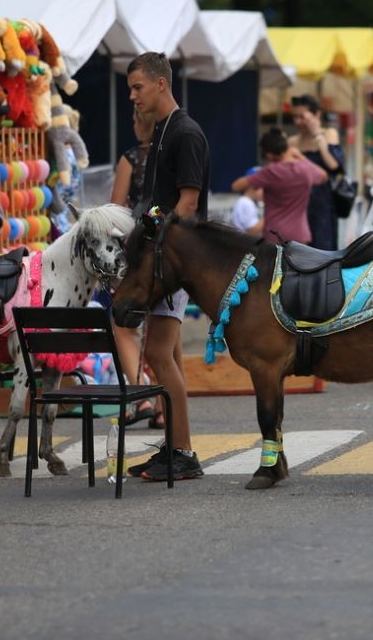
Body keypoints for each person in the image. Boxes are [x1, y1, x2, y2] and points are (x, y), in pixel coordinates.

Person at [124, 51, 211, 481]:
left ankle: (183, 452)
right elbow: (163, 201)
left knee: (158, 352)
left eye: (138, 87)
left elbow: (188, 203)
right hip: (162, 255)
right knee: (168, 353)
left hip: (174, 259)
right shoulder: (162, 130)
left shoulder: (185, 133)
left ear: (161, 84)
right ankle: (177, 447)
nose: (132, 96)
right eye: (130, 89)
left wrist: (152, 236)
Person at [109, 108, 159, 427]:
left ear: (140, 125)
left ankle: (142, 397)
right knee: (163, 332)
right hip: (172, 248)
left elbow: (115, 209)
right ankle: (164, 409)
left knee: (124, 326)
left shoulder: (130, 159)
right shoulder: (171, 155)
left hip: (139, 249)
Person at [232, 129, 328, 244]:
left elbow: (236, 186)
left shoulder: (270, 171)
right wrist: (301, 157)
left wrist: (257, 177)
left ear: (269, 154)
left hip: (275, 235)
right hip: (300, 235)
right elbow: (323, 176)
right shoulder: (305, 168)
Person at [289, 95, 343, 250]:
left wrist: (317, 134)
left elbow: (334, 165)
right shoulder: (292, 142)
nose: (298, 122)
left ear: (317, 114)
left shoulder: (329, 134)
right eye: (295, 117)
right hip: (298, 203)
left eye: (302, 117)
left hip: (323, 203)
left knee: (323, 249)